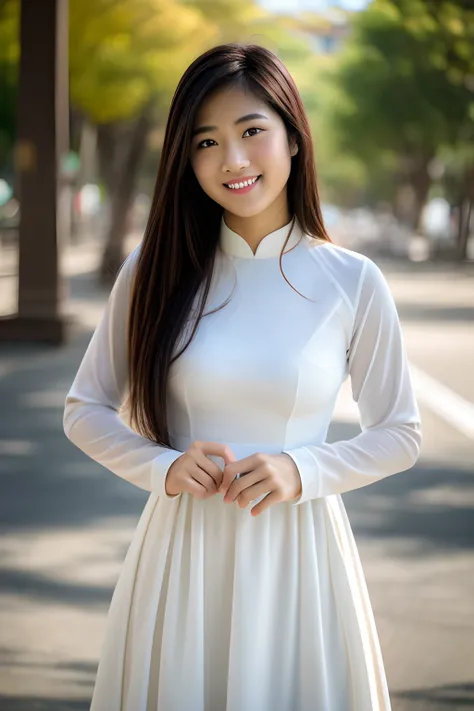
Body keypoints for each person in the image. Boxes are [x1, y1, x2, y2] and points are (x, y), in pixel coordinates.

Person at [63, 43, 422, 711]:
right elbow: (84, 407)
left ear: (292, 134)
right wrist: (162, 466)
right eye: (206, 141)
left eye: (251, 131)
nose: (231, 159)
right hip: (181, 553)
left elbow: (400, 432)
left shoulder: (351, 281)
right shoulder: (155, 271)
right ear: (184, 158)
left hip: (302, 551)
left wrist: (303, 469)